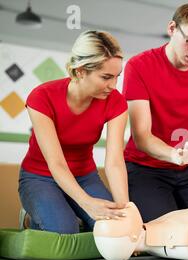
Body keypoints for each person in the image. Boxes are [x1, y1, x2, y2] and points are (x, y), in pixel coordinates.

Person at [123, 3, 188, 222]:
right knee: (165, 232)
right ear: (172, 28)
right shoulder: (139, 66)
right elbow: (142, 136)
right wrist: (176, 156)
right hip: (145, 168)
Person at [18, 30, 129, 234]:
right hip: (40, 177)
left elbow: (114, 162)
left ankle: (70, 210)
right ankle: (31, 216)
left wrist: (125, 210)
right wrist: (87, 203)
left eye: (117, 77)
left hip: (85, 176)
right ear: (80, 71)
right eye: (106, 77)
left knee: (113, 227)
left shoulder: (116, 101)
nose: (113, 86)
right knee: (64, 229)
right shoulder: (42, 97)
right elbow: (56, 164)